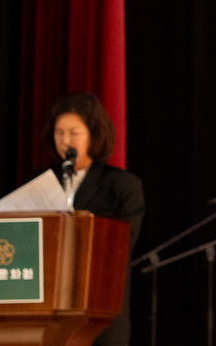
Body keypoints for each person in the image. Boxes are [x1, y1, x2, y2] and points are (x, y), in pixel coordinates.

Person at [46, 92, 144, 346]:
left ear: (93, 134)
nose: (65, 140)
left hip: (100, 308)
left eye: (74, 133)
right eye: (59, 132)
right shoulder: (41, 182)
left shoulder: (122, 186)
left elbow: (122, 246)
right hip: (48, 310)